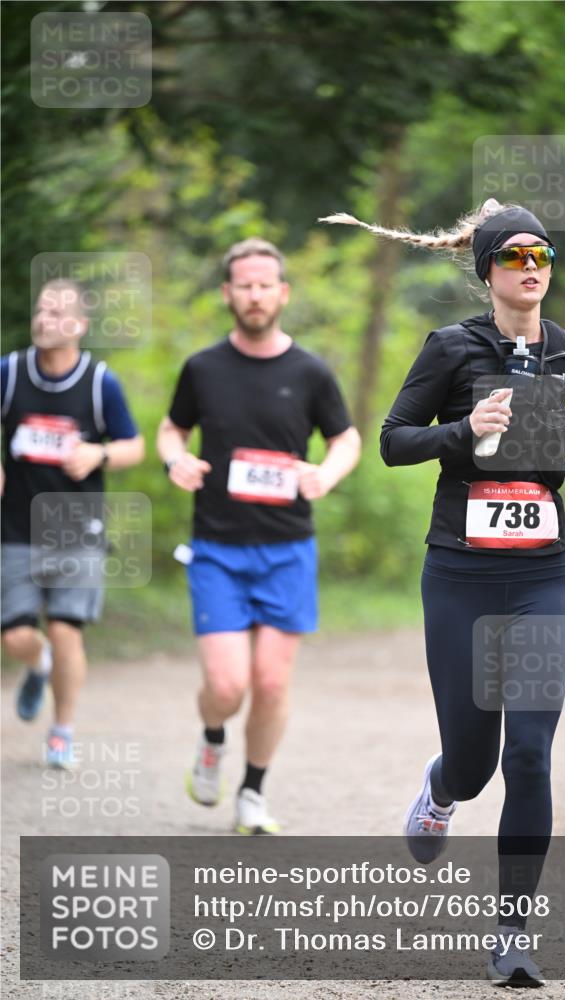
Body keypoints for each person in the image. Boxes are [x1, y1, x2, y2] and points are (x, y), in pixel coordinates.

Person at [321, 201, 565, 985]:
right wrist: (463, 429)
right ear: (486, 268)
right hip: (460, 574)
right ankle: (441, 788)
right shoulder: (453, 347)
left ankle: (512, 932)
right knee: (476, 761)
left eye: (541, 255)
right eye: (513, 255)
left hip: (545, 570)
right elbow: (391, 442)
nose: (529, 266)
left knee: (530, 754)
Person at [157, 238, 360, 834]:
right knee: (225, 686)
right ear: (227, 293)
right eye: (243, 285)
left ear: (282, 293)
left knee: (270, 681)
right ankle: (213, 737)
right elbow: (172, 430)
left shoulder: (310, 372)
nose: (254, 294)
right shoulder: (202, 367)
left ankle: (251, 793)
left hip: (287, 549)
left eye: (264, 284)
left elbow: (345, 438)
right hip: (216, 549)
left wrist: (325, 473)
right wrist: (176, 460)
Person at [1, 279, 144, 767]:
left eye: (59, 314)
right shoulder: (10, 373)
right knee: (16, 636)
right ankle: (38, 664)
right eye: (42, 311)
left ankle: (62, 730)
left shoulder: (100, 382)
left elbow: (134, 446)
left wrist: (97, 453)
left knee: (67, 632)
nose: (46, 320)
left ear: (80, 326)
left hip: (77, 530)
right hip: (15, 528)